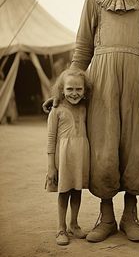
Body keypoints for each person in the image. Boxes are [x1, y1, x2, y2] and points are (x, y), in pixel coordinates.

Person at [43, 0, 139, 242]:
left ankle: (131, 216)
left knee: (136, 147)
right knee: (104, 147)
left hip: (138, 83)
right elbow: (83, 48)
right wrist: (62, 91)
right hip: (101, 85)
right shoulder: (93, 1)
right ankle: (107, 216)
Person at [45, 69, 91, 246]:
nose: (74, 93)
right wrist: (51, 166)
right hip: (63, 157)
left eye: (78, 89)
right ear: (61, 90)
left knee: (77, 190)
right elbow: (50, 139)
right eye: (69, 89)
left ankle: (74, 223)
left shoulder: (85, 107)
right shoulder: (56, 110)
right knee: (63, 192)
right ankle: (61, 228)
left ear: (85, 90)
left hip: (80, 156)